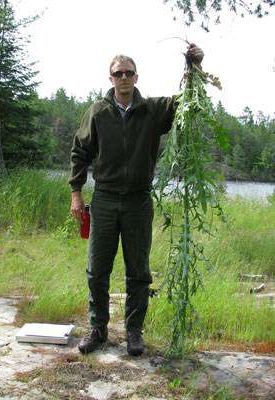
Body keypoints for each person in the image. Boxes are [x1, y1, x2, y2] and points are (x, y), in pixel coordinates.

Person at [69, 44, 204, 356]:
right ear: (111, 77)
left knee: (138, 272)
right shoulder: (98, 112)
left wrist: (193, 67)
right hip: (103, 200)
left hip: (138, 201)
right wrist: (76, 193)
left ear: (137, 77)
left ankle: (133, 333)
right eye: (119, 73)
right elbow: (79, 151)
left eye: (129, 72)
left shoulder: (153, 110)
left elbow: (188, 104)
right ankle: (98, 329)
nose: (124, 77)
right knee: (97, 269)